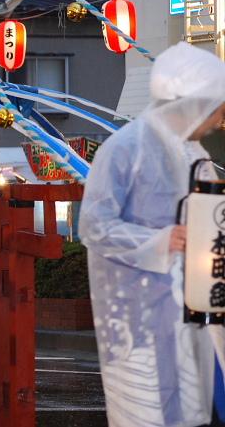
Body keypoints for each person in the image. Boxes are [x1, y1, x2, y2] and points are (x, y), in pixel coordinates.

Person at [79, 42, 225, 427]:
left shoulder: (197, 156)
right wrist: (158, 241)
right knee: (150, 410)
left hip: (197, 307)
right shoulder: (125, 148)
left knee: (198, 408)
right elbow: (94, 223)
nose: (218, 120)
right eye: (216, 108)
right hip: (140, 315)